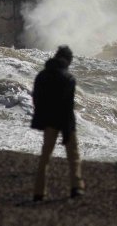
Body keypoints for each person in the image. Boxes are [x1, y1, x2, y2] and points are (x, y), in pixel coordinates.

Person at [31, 45, 85, 201]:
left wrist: (41, 117)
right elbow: (67, 106)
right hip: (65, 120)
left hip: (48, 120)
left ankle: (39, 192)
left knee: (45, 156)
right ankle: (77, 187)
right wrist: (67, 130)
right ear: (68, 60)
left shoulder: (41, 75)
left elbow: (36, 98)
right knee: (73, 155)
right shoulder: (68, 78)